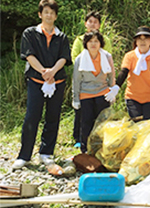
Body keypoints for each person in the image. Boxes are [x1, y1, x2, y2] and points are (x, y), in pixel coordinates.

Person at [12, 0, 72, 169]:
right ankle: (24, 155)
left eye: (52, 12)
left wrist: (52, 72)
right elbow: (29, 55)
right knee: (32, 116)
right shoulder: (30, 33)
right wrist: (44, 73)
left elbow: (64, 57)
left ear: (56, 16)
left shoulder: (62, 37)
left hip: (57, 81)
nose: (49, 15)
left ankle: (46, 153)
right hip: (36, 81)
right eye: (46, 12)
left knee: (53, 117)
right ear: (40, 14)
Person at [105, 26, 150, 121]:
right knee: (137, 124)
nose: (143, 41)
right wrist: (117, 86)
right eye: (140, 38)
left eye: (146, 38)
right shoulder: (129, 56)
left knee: (147, 126)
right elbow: (124, 72)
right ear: (136, 41)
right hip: (133, 97)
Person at [71, 11, 113, 148]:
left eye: (96, 41)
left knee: (102, 121)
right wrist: (75, 98)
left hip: (102, 91)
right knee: (86, 121)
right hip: (86, 92)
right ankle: (85, 147)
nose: (93, 44)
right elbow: (76, 80)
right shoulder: (79, 57)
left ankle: (101, 147)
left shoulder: (106, 56)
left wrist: (112, 91)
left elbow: (111, 74)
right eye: (90, 42)